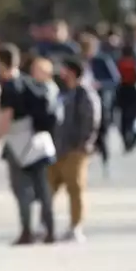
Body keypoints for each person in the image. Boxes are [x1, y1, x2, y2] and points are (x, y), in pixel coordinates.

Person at [0, 54, 61, 245]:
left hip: (19, 142)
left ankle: (27, 232)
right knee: (44, 189)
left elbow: (5, 118)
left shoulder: (11, 87)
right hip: (40, 142)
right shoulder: (38, 86)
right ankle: (50, 231)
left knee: (22, 190)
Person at [47, 58, 101, 242]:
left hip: (76, 150)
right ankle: (44, 225)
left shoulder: (85, 93)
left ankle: (76, 227)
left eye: (65, 71)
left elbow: (92, 119)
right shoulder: (63, 92)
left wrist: (83, 144)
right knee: (48, 186)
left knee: (76, 188)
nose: (62, 74)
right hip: (59, 148)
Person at [80, 33, 119, 176]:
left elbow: (115, 79)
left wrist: (100, 84)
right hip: (84, 103)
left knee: (101, 134)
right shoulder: (80, 62)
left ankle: (106, 162)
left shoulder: (102, 60)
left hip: (101, 101)